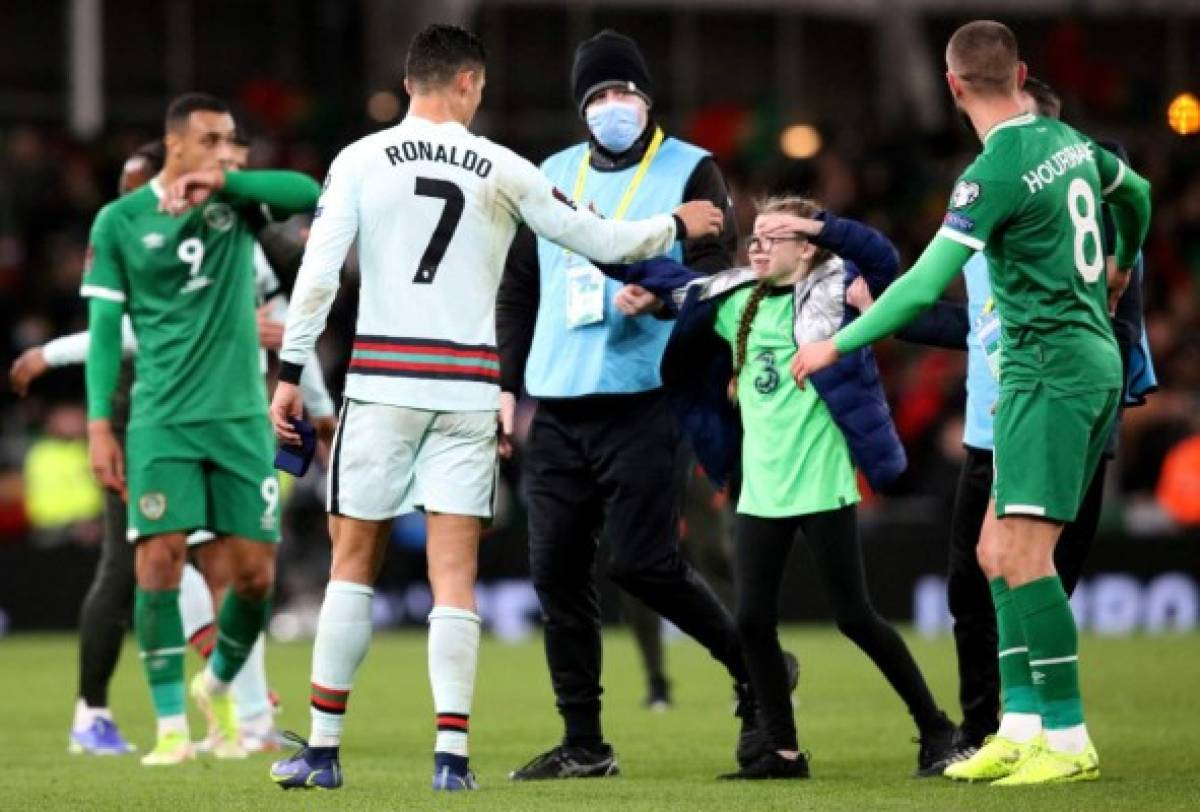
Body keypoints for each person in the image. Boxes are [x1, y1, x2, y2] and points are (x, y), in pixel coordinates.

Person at [265, 24, 723, 793]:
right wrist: (676, 224)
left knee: (352, 566)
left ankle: (323, 748)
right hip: (468, 389)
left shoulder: (359, 159)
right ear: (472, 85)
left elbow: (317, 279)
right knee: (455, 575)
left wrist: (288, 373)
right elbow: (599, 239)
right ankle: (451, 760)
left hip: (382, 379)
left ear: (410, 83)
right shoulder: (503, 166)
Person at [790, 20, 1152, 785]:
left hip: (1049, 368)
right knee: (995, 552)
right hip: (1071, 362)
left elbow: (922, 287)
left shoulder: (991, 173)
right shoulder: (1072, 145)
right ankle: (1018, 727)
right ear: (1020, 73)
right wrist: (1119, 260)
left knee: (1025, 555)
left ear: (954, 87)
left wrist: (835, 344)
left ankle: (1069, 737)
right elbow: (1142, 193)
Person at [496, 29, 775, 781]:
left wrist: (658, 299)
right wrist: (505, 385)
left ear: (649, 102)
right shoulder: (548, 173)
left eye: (628, 93)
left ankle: (757, 667)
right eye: (601, 95)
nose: (615, 106)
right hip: (557, 400)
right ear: (581, 106)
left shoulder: (691, 169)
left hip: (646, 394)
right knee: (556, 573)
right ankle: (584, 743)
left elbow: (719, 275)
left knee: (645, 564)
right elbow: (521, 283)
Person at [599, 197, 957, 779]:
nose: (757, 246)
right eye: (755, 237)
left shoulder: (844, 296)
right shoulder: (735, 295)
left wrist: (822, 225)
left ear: (808, 244)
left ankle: (938, 730)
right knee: (752, 622)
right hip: (761, 493)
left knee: (856, 618)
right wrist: (584, 233)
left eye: (775, 236)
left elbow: (881, 255)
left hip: (821, 486)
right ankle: (783, 752)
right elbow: (655, 272)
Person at [10, 137, 328, 756]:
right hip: (146, 421)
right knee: (145, 562)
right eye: (127, 188)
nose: (133, 199)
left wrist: (312, 400)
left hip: (221, 420)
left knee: (231, 569)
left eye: (141, 185)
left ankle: (241, 708)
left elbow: (290, 325)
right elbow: (126, 332)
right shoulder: (130, 241)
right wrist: (54, 359)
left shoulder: (230, 239)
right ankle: (98, 711)